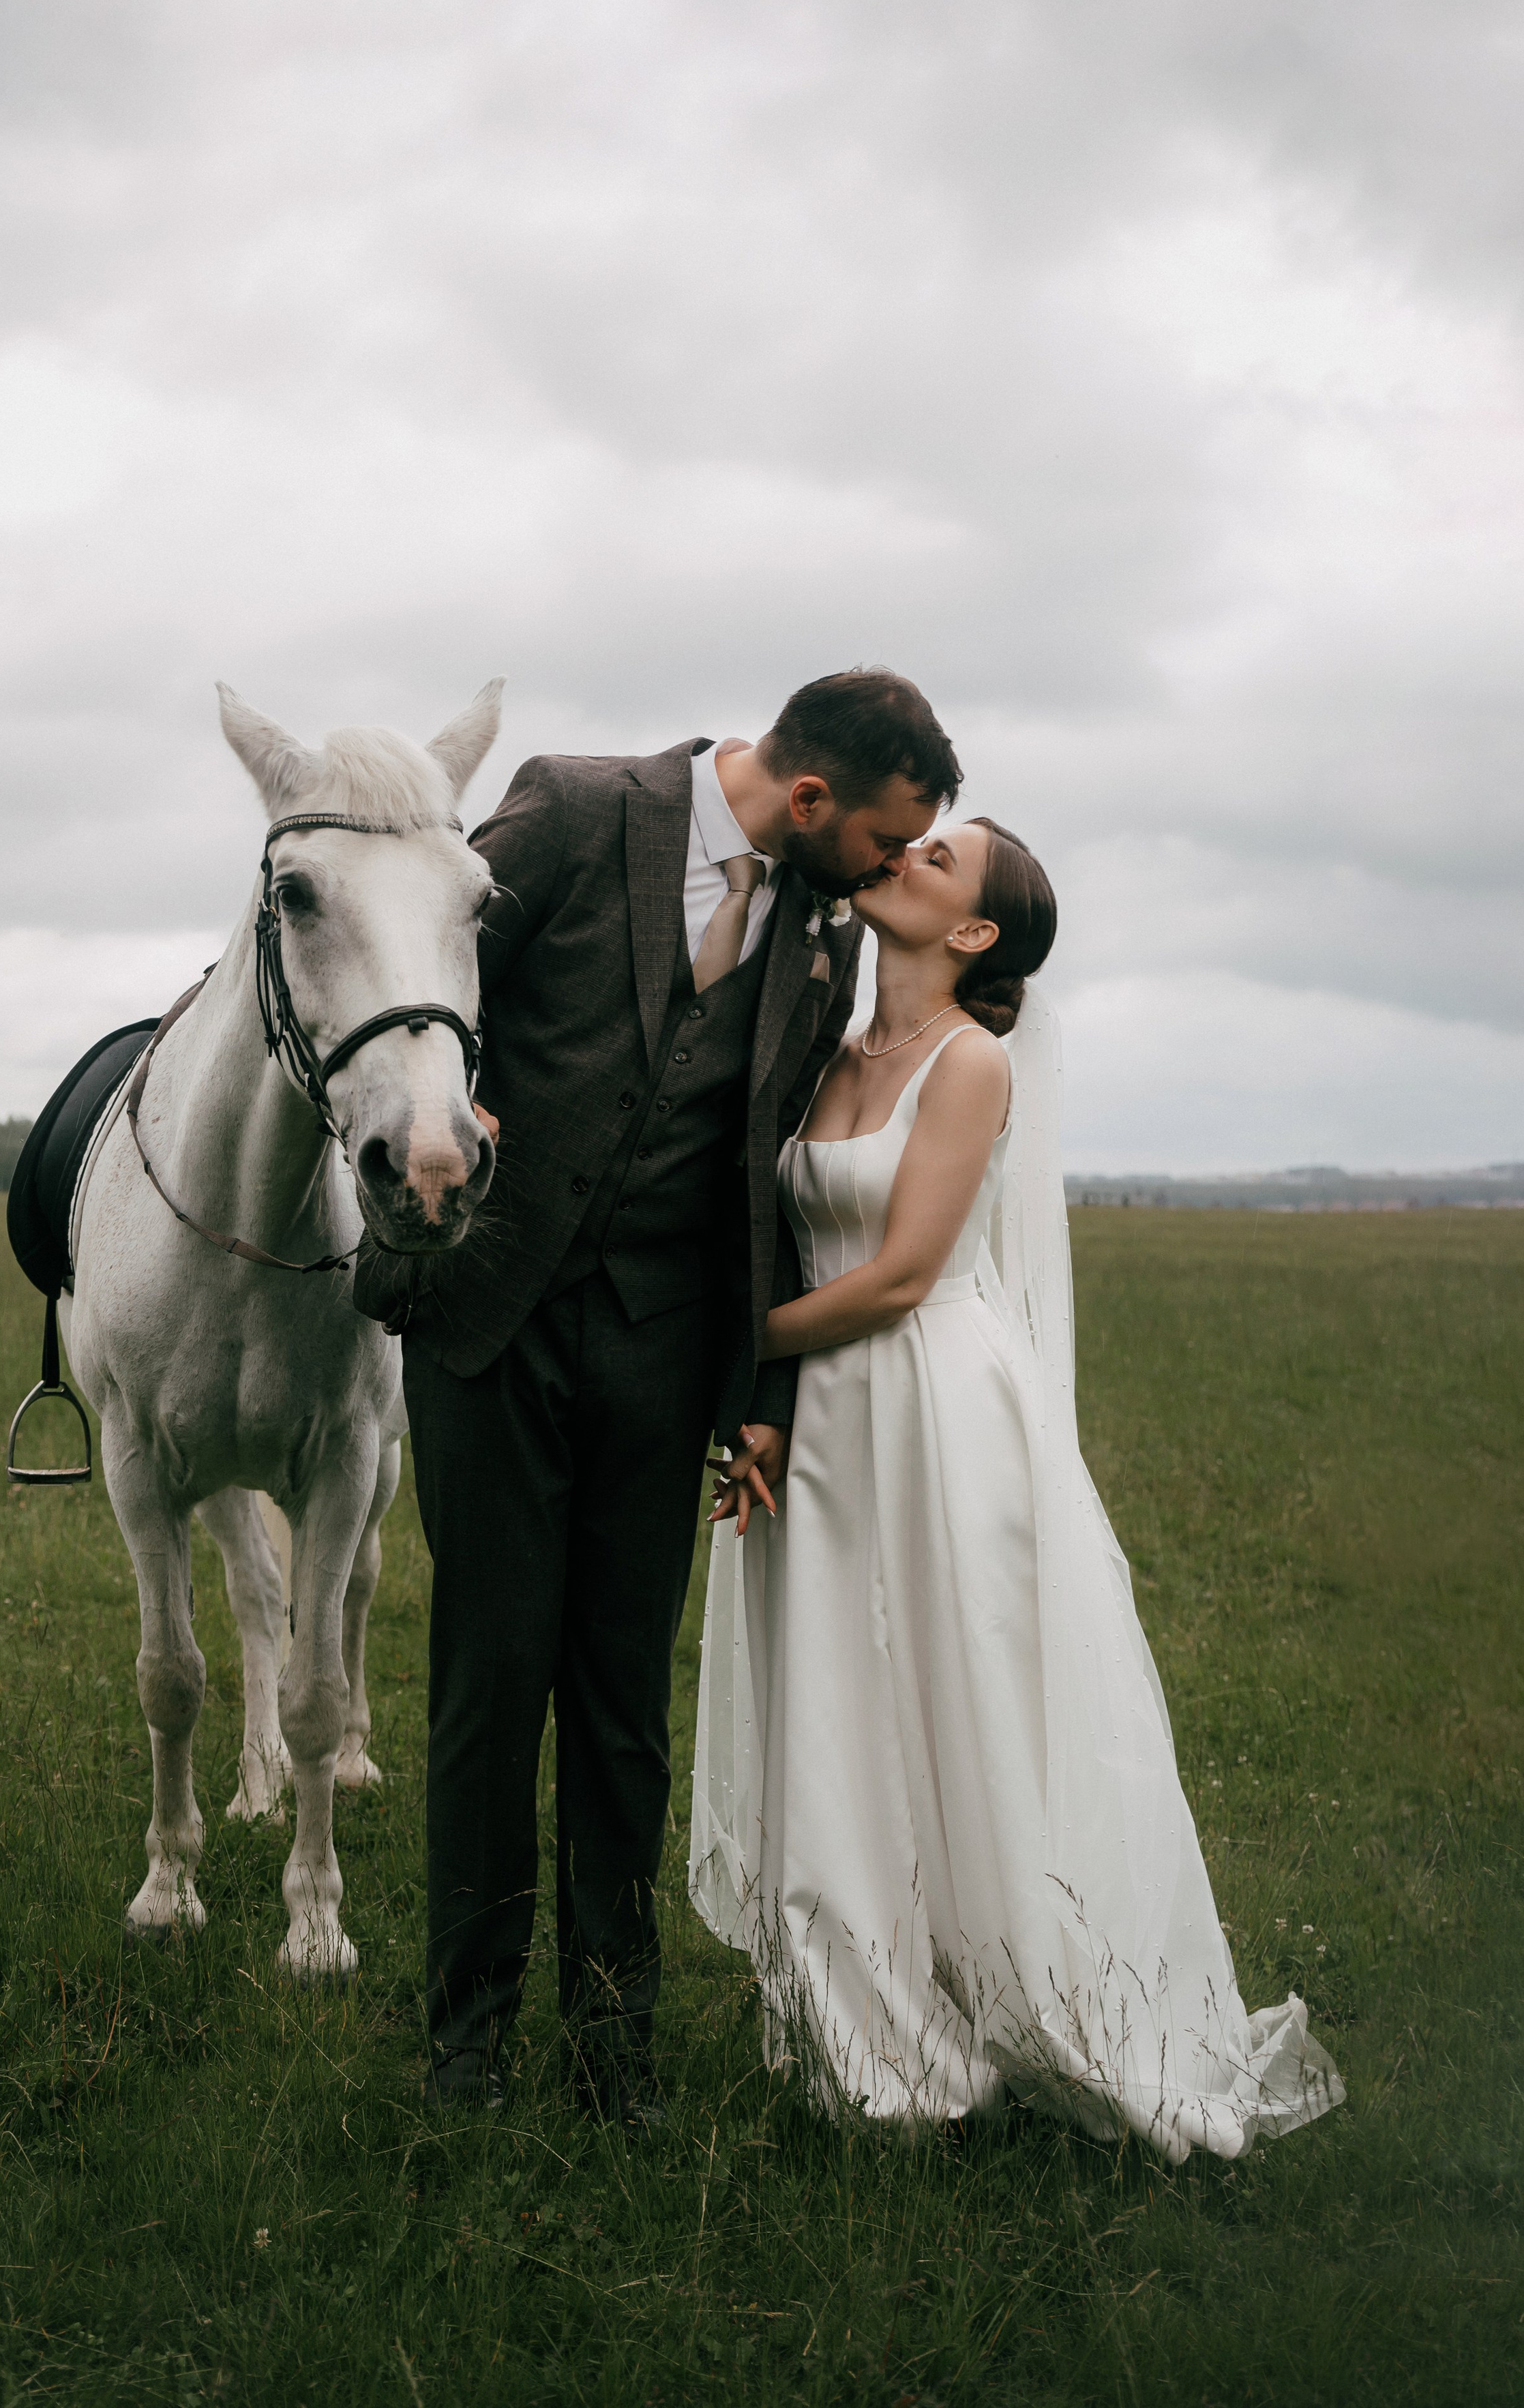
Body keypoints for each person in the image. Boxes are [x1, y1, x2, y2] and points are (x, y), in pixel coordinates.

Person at [353, 669, 961, 2127]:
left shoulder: (820, 935)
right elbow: (423, 961)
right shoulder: (575, 807)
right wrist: (454, 1097)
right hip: (492, 1321)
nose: (887, 870)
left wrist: (757, 1389)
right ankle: (466, 2053)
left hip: (660, 1351)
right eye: (882, 840)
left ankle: (612, 2058)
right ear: (806, 798)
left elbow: (760, 1175)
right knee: (491, 1691)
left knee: (623, 1711)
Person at [690, 819, 1345, 2161]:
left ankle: (1017, 1991)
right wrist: (762, 1409)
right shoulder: (829, 1051)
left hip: (932, 1406)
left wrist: (713, 1357)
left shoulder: (971, 1061)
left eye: (936, 861)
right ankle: (869, 2021)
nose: (902, 856)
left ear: (975, 932)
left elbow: (898, 1275)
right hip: (822, 1421)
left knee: (956, 1695)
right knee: (834, 1695)